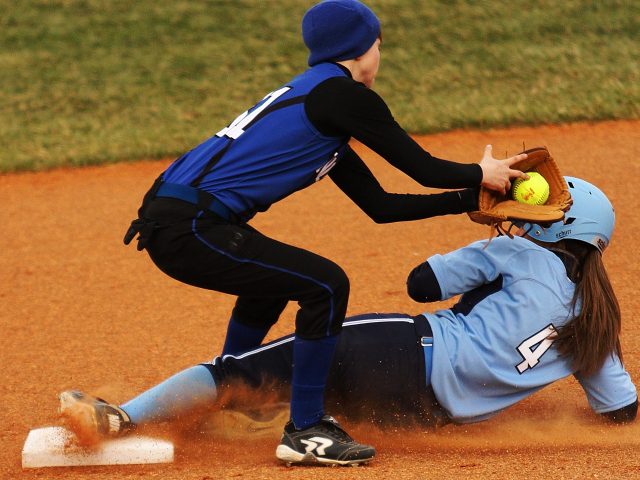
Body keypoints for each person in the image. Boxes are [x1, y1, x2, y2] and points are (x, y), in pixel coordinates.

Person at [119, 0, 527, 466]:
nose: (379, 57)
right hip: (190, 227)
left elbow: (382, 207)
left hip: (179, 221)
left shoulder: (320, 111)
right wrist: (481, 173)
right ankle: (307, 429)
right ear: (359, 49)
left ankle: (231, 394)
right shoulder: (343, 96)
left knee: (275, 284)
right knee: (326, 285)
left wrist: (467, 202)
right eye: (378, 46)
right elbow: (424, 170)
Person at [62, 177, 637, 465]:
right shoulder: (598, 328)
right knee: (308, 385)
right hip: (421, 414)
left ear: (552, 229)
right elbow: (620, 410)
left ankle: (119, 418)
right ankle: (240, 415)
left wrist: (486, 245)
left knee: (241, 368)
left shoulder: (518, 254)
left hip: (402, 351)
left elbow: (421, 284)